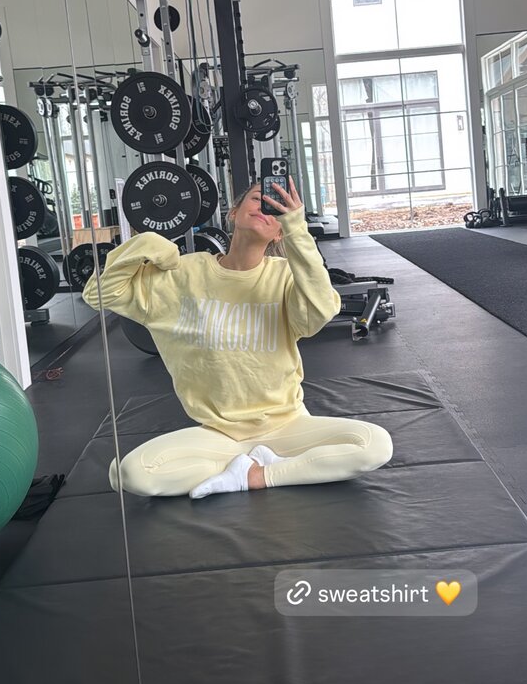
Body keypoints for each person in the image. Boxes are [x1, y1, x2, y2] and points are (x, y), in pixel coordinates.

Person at [82, 177, 393, 500]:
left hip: (287, 425)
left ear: (281, 231)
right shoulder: (182, 275)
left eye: (276, 208)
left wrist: (298, 228)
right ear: (234, 212)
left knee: (375, 445)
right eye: (258, 199)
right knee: (131, 474)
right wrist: (145, 243)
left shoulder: (286, 275)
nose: (265, 209)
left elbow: (319, 312)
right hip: (219, 434)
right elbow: (99, 294)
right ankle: (266, 466)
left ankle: (256, 475)